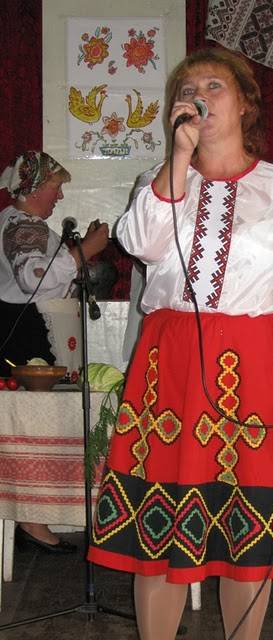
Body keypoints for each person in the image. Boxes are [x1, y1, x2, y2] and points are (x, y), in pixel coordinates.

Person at [87, 49, 273, 639]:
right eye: (187, 87)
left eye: (214, 85)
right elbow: (139, 242)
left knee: (247, 535)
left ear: (245, 103)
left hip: (254, 369)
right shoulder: (161, 184)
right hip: (169, 368)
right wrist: (178, 158)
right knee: (159, 530)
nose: (198, 95)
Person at [0, 150, 109, 553]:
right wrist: (86, 250)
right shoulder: (21, 226)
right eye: (55, 187)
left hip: (28, 331)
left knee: (32, 427)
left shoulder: (24, 224)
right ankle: (30, 519)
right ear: (33, 189)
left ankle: (30, 517)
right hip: (23, 334)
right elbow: (33, 278)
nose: (59, 196)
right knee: (31, 427)